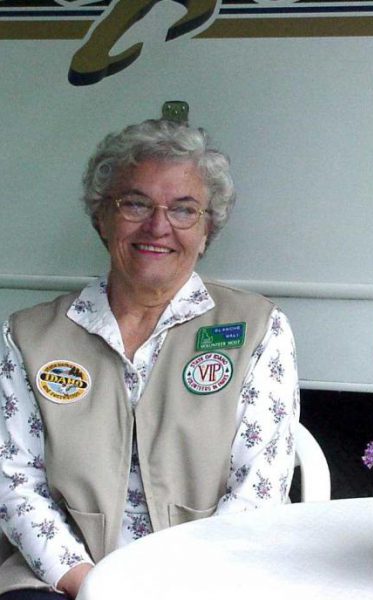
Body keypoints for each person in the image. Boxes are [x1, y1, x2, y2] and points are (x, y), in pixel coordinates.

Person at [0, 119, 299, 599]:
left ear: (206, 231)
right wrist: (93, 585)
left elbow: (258, 490)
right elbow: (16, 483)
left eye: (184, 210)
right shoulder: (30, 336)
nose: (158, 227)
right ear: (102, 217)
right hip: (61, 581)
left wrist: (180, 586)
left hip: (211, 580)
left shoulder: (257, 328)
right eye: (136, 204)